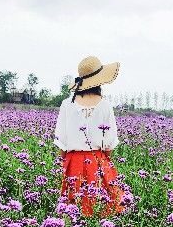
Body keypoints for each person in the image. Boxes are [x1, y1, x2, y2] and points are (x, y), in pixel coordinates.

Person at [53, 55, 125, 218]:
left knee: (72, 211)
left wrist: (66, 165)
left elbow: (61, 143)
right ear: (99, 81)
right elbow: (109, 145)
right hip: (98, 162)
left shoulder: (67, 104)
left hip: (73, 163)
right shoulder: (105, 105)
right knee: (102, 209)